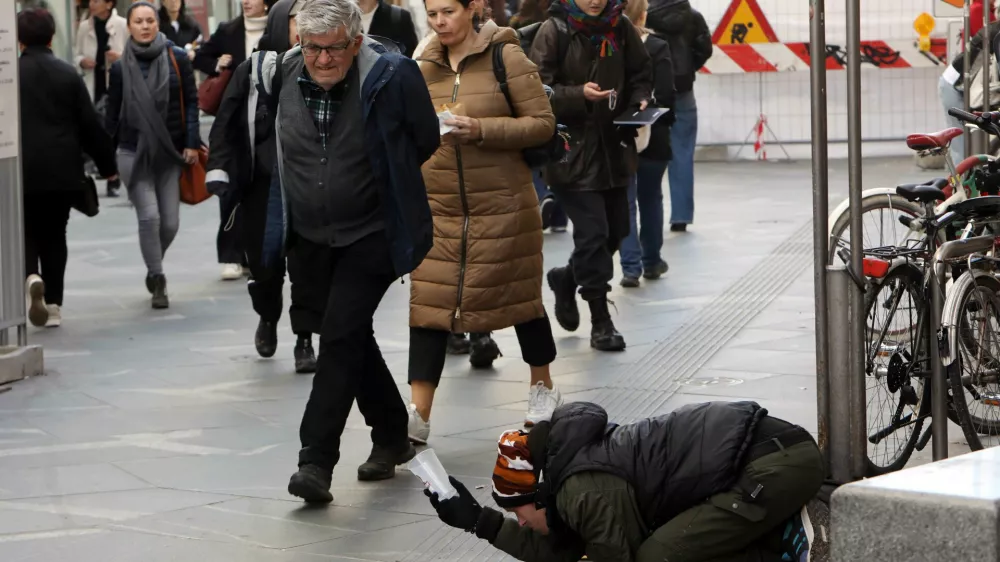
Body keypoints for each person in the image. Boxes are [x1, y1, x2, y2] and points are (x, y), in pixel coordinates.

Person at [237, 0, 440, 504]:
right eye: (312, 48)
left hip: (372, 232)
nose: (323, 60)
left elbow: (425, 138)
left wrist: (381, 176)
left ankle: (316, 460)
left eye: (333, 49)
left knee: (340, 336)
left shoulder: (394, 76)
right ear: (297, 43)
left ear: (355, 42)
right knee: (346, 334)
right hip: (308, 234)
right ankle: (393, 433)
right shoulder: (278, 73)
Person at [408, 0, 562, 444]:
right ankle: (418, 415)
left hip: (503, 204)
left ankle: (542, 389)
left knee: (520, 299)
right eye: (432, 13)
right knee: (430, 306)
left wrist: (481, 130)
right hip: (439, 206)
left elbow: (541, 125)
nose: (440, 22)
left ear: (471, 8)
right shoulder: (421, 65)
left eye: (448, 11)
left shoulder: (506, 55)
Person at [425, 401, 825, 562]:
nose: (522, 521)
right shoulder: (574, 470)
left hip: (776, 465)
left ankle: (783, 538)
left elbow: (613, 557)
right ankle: (773, 533)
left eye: (519, 511)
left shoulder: (582, 490)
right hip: (773, 458)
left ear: (542, 493)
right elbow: (568, 548)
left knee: (656, 556)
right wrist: (480, 523)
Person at [530, 0, 652, 352]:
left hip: (615, 149)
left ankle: (567, 277)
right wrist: (577, 95)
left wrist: (642, 98)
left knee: (616, 232)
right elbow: (537, 90)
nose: (594, 1)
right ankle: (601, 319)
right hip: (572, 153)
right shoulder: (554, 30)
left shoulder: (621, 26)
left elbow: (642, 73)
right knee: (593, 234)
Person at [207, 0, 322, 373]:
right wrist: (221, 170)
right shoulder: (253, 69)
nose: (302, 28)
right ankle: (268, 316)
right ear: (277, 25)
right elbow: (226, 123)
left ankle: (304, 338)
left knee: (307, 267)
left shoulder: (322, 67)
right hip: (262, 186)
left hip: (307, 184)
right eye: (295, 22)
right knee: (265, 265)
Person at [20, 7, 118, 328]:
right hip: (62, 170)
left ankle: (31, 276)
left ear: (19, 39)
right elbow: (89, 126)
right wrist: (107, 165)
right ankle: (53, 304)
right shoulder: (67, 74)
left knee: (26, 230)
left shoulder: (10, 76)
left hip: (21, 170)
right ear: (51, 36)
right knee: (55, 233)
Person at [106, 1, 200, 310]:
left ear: (157, 23)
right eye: (138, 21)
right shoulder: (119, 67)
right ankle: (158, 278)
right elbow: (112, 113)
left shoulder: (179, 58)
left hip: (169, 152)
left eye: (150, 20)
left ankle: (152, 262)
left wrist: (191, 142)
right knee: (149, 217)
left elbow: (191, 102)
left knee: (170, 224)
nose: (145, 26)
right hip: (132, 152)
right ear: (129, 26)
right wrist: (107, 156)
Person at [195, 0, 274, 281]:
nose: (246, 1)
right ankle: (229, 255)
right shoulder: (228, 30)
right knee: (230, 186)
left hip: (268, 119)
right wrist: (217, 64)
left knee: (260, 192)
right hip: (234, 117)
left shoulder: (277, 29)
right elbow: (200, 57)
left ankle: (253, 254)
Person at [618, 0, 672, 287]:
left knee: (625, 202)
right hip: (655, 133)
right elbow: (666, 94)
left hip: (621, 135)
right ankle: (651, 260)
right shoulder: (658, 47)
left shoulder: (609, 46)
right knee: (651, 198)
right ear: (643, 15)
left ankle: (630, 267)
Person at [645, 0, 710, 232]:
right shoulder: (692, 16)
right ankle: (681, 217)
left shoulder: (644, 16)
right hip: (683, 90)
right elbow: (705, 49)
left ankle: (647, 214)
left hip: (651, 93)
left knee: (646, 155)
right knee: (682, 153)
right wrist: (688, 68)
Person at [74, 0, 127, 197]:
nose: (92, 4)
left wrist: (119, 57)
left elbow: (133, 53)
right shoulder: (84, 26)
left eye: (97, 0)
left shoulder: (121, 24)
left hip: (116, 86)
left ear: (109, 4)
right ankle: (111, 174)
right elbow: (76, 54)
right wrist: (82, 61)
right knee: (99, 131)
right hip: (94, 84)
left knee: (116, 130)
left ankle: (115, 173)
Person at [940, 20, 1000, 164]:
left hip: (959, 83)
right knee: (961, 146)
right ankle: (959, 184)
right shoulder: (996, 35)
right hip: (953, 86)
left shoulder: (994, 29)